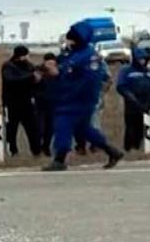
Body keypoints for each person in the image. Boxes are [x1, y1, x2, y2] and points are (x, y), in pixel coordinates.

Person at [42, 20, 124, 171]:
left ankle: (60, 158)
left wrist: (65, 84)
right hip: (70, 98)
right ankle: (112, 151)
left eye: (70, 38)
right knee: (83, 129)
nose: (67, 42)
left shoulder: (88, 57)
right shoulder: (74, 54)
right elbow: (66, 71)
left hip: (76, 100)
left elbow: (89, 81)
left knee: (62, 126)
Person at [1, 45, 42, 156]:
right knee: (11, 129)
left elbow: (36, 84)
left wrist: (37, 80)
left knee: (33, 129)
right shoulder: (8, 67)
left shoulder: (30, 66)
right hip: (12, 103)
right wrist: (30, 78)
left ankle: (36, 151)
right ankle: (13, 151)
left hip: (27, 103)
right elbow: (11, 81)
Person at [115, 46, 150, 151]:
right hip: (132, 103)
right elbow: (121, 86)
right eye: (140, 59)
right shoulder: (126, 70)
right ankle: (128, 147)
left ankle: (141, 146)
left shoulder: (147, 71)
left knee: (143, 126)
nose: (142, 61)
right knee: (131, 126)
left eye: (144, 59)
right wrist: (132, 99)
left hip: (145, 102)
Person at [34, 53, 59, 155]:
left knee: (51, 127)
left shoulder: (58, 70)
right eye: (48, 62)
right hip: (40, 102)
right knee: (40, 126)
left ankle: (46, 147)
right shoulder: (39, 69)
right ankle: (38, 146)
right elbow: (34, 81)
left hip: (53, 102)